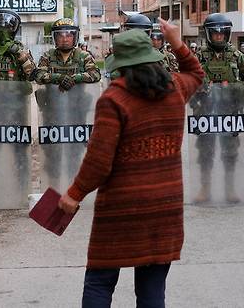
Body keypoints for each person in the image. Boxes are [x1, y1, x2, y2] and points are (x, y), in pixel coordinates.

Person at [58, 19, 205, 307]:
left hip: (121, 209)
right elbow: (196, 72)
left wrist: (73, 194)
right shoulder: (175, 88)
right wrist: (176, 40)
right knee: (152, 290)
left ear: (121, 63)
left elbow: (99, 162)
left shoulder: (114, 98)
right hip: (165, 207)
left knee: (100, 281)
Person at [193, 13, 244, 203]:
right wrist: (194, 103)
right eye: (215, 34)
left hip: (229, 113)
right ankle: (205, 189)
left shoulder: (236, 56)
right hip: (205, 113)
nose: (219, 37)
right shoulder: (200, 56)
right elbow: (189, 80)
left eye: (222, 34)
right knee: (205, 152)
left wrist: (242, 99)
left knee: (230, 152)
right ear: (209, 35)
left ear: (227, 34)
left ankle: (230, 189)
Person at [35, 18, 101, 89]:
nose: (65, 40)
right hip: (53, 98)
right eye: (60, 36)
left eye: (68, 36)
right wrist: (58, 78)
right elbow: (39, 76)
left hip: (79, 98)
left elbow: (96, 74)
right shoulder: (48, 56)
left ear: (75, 37)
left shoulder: (84, 56)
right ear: (55, 38)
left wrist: (78, 78)